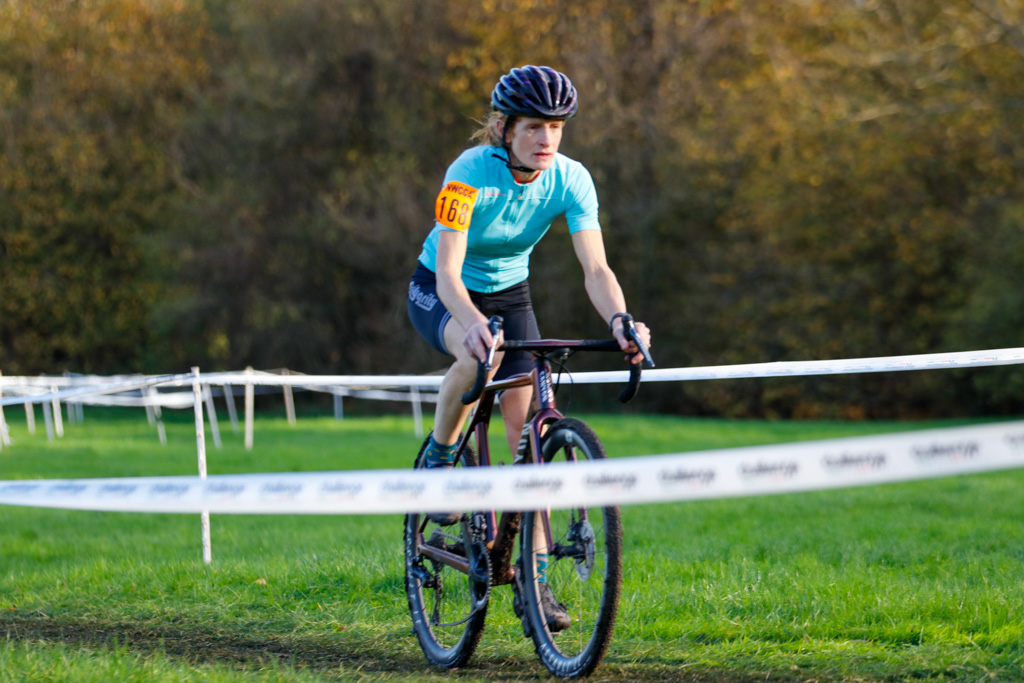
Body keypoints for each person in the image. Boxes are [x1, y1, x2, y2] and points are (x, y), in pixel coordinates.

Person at [407, 65, 652, 631]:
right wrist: (472, 322)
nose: (547, 139)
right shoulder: (467, 173)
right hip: (443, 288)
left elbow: (596, 269)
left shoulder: (572, 179)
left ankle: (534, 585)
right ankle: (440, 460)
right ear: (504, 128)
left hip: (511, 293)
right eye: (534, 127)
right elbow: (447, 273)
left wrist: (620, 320)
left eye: (556, 128)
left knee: (529, 444)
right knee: (477, 355)